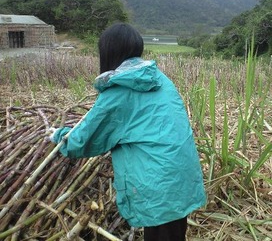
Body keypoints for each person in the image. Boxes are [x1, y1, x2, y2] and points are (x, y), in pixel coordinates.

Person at [49, 22, 207, 241]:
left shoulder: (119, 91)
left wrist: (58, 136)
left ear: (108, 52)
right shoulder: (159, 79)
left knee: (161, 233)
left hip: (157, 182)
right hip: (181, 173)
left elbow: (84, 139)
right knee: (174, 231)